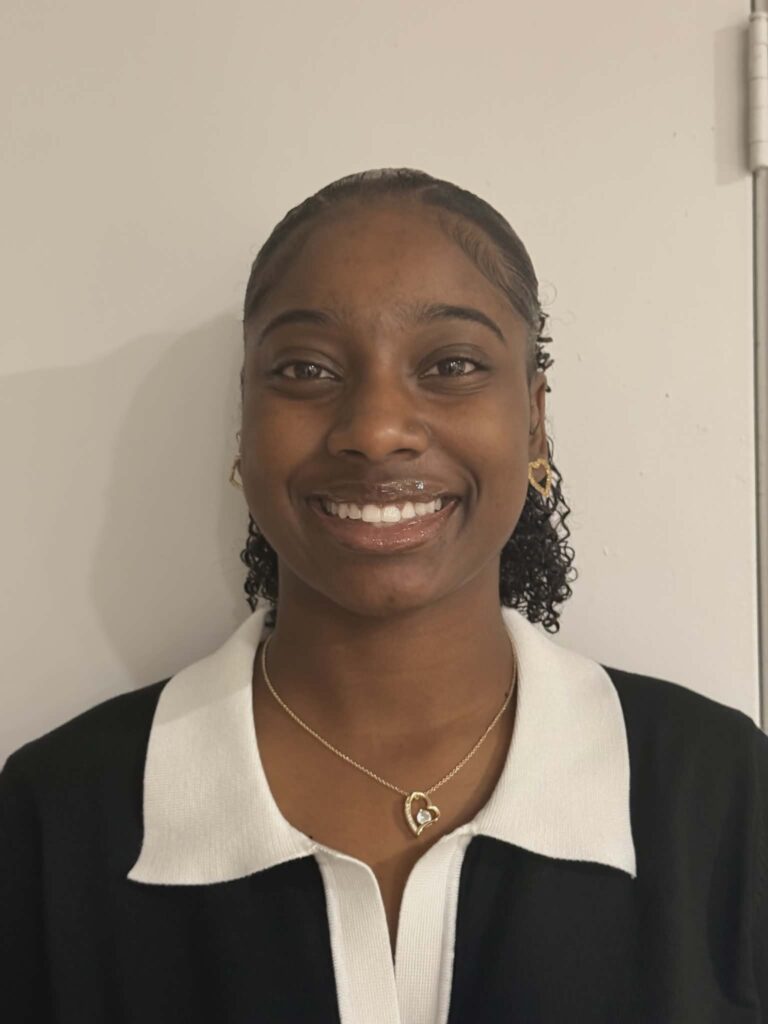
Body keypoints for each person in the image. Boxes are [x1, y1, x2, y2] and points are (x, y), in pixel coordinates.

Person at [2, 168, 767, 1023]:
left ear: (534, 418)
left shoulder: (727, 797)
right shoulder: (50, 821)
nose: (374, 429)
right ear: (244, 420)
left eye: (450, 365)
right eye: (306, 368)